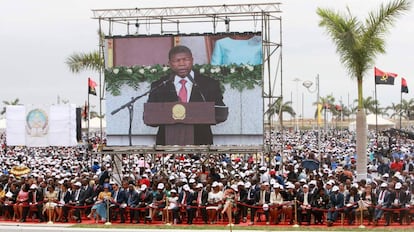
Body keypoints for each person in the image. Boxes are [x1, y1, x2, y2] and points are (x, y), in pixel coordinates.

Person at [146, 45, 227, 145]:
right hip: (166, 144)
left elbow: (220, 112)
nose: (182, 64)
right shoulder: (160, 85)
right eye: (177, 60)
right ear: (170, 64)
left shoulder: (209, 84)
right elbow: (151, 116)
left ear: (192, 60)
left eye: (186, 59)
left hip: (201, 142)